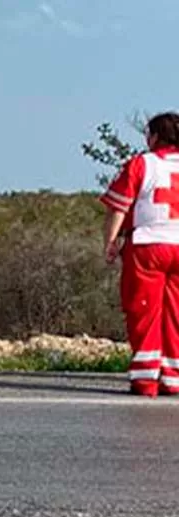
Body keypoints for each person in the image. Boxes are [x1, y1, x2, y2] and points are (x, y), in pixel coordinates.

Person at [99, 111, 179, 397]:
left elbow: (118, 207)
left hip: (148, 246)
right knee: (176, 314)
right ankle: (173, 378)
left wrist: (110, 242)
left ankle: (145, 379)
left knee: (143, 309)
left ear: (155, 136)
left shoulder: (141, 164)